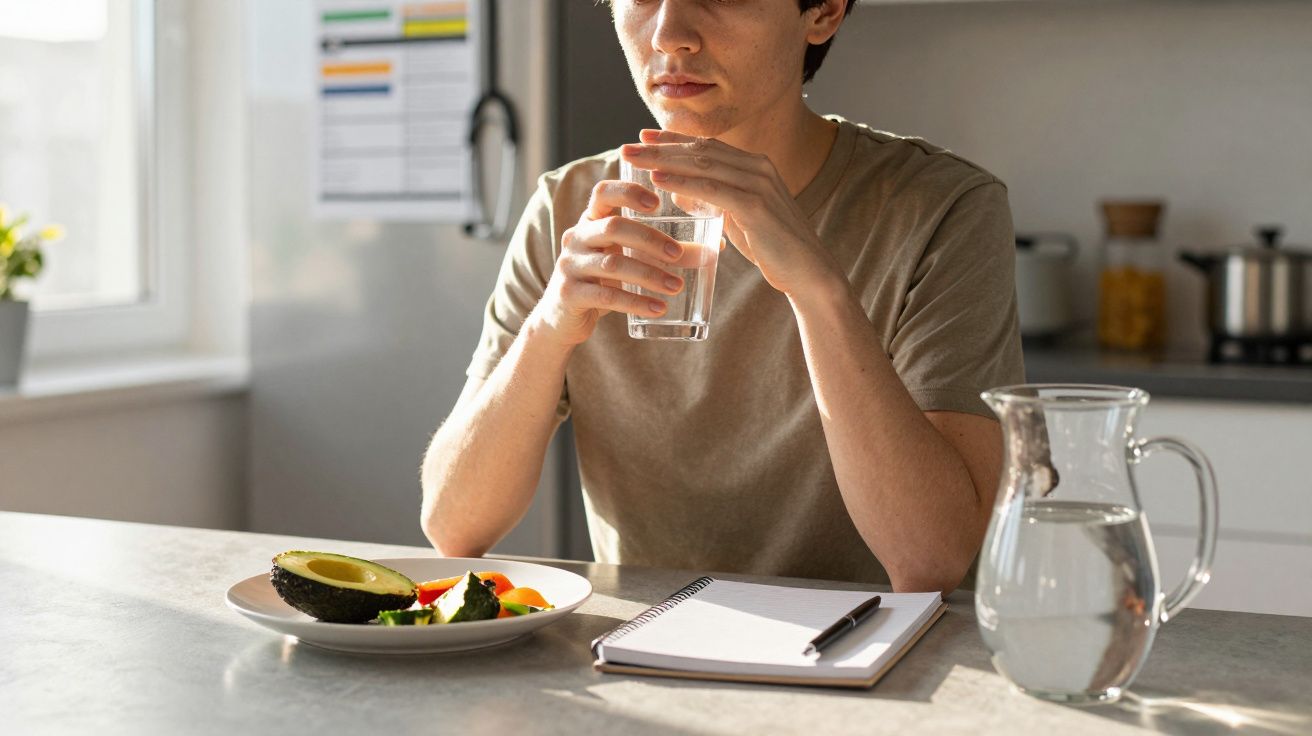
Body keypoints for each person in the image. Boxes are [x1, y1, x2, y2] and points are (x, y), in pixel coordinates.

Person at [420, 0, 1023, 593]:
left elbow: (931, 558)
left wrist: (817, 290)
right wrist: (548, 328)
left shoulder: (943, 208)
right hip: (642, 657)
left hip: (870, 664)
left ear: (823, 12)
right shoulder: (569, 207)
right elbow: (453, 525)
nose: (670, 34)